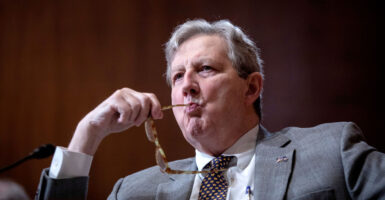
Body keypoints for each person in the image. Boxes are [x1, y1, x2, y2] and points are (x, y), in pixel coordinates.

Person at [35, 19, 385, 200]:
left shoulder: (331, 151)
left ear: (251, 88)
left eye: (205, 69)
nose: (185, 84)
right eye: (176, 75)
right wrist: (87, 134)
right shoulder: (133, 191)